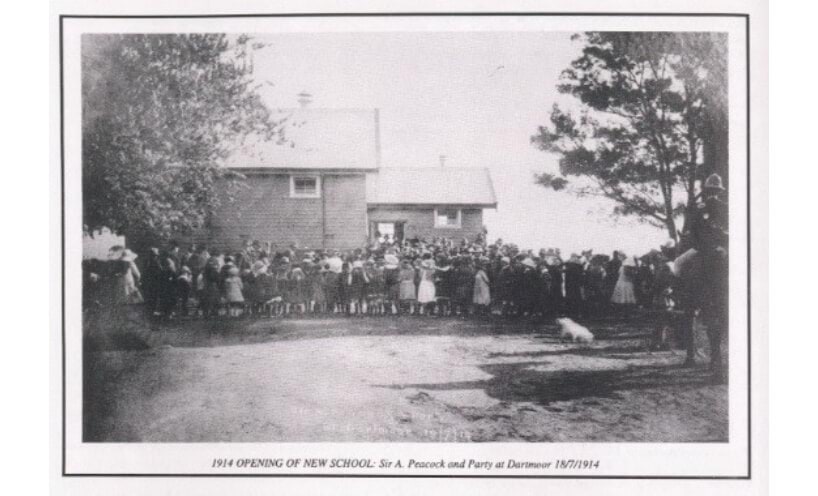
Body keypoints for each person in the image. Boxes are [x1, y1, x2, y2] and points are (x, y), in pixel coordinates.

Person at [678, 172, 729, 382]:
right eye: (712, 191)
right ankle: (700, 355)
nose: (713, 194)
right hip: (713, 251)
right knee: (679, 268)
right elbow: (692, 233)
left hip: (712, 252)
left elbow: (691, 233)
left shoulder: (708, 209)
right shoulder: (713, 209)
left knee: (679, 266)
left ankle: (702, 355)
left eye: (715, 192)